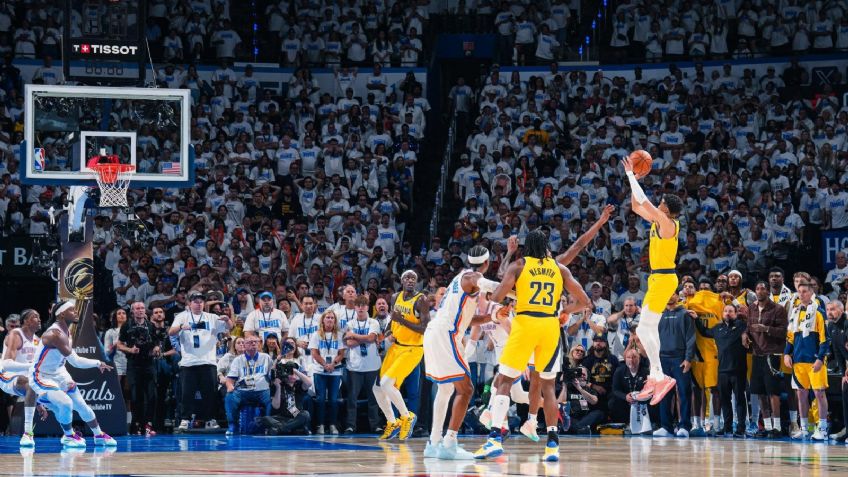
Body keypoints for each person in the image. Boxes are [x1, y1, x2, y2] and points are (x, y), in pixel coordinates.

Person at [474, 229, 590, 462]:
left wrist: (513, 294)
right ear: (546, 247)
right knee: (548, 387)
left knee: (505, 381)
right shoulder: (559, 268)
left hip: (525, 324)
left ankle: (494, 439)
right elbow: (585, 302)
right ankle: (552, 445)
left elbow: (496, 297)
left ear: (527, 248)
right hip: (549, 327)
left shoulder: (519, 266)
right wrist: (565, 311)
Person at [424, 245, 504, 460]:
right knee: (466, 389)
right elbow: (496, 288)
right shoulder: (472, 277)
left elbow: (467, 319)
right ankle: (449, 443)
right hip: (446, 334)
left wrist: (493, 317)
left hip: (437, 332)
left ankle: (433, 442)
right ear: (486, 263)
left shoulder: (460, 279)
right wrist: (521, 291)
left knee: (445, 389)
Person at [622, 154, 684, 405]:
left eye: (661, 203)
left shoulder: (668, 224)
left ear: (666, 209)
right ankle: (656, 375)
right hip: (658, 279)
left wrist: (630, 175)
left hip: (665, 279)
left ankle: (659, 375)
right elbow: (637, 206)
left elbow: (645, 201)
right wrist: (634, 182)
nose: (658, 204)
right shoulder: (659, 220)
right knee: (648, 328)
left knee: (642, 328)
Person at [28, 300, 116, 448]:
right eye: (72, 310)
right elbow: (75, 361)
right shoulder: (54, 334)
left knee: (82, 406)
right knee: (65, 403)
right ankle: (68, 436)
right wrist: (98, 363)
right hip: (40, 375)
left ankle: (99, 435)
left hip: (60, 373)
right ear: (61, 314)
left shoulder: (67, 332)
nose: (76, 312)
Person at [374, 270, 429, 441]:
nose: (410, 280)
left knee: (386, 383)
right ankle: (393, 422)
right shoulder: (395, 297)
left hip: (413, 349)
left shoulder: (421, 300)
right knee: (377, 388)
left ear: (416, 281)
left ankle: (407, 416)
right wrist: (387, 331)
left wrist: (402, 320)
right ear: (402, 280)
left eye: (413, 278)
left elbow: (424, 328)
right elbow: (393, 319)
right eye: (407, 277)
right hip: (396, 347)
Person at [169, 291, 234, 430]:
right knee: (187, 393)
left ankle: (210, 419)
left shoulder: (212, 317)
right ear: (189, 303)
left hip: (208, 361)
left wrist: (227, 319)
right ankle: (185, 419)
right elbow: (171, 332)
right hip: (188, 362)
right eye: (195, 301)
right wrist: (181, 327)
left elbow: (230, 327)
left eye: (201, 302)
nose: (199, 304)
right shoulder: (182, 316)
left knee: (209, 393)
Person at [692, 304, 748, 437]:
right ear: (722, 314)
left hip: (738, 370)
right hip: (722, 370)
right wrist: (696, 319)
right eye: (726, 311)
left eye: (731, 311)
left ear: (735, 313)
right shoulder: (718, 328)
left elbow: (750, 325)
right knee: (725, 400)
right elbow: (704, 332)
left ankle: (741, 428)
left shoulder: (742, 326)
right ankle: (727, 427)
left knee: (739, 399)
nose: (728, 313)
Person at [784, 282, 830, 440]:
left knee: (819, 394)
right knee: (801, 395)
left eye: (805, 291)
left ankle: (822, 429)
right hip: (798, 361)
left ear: (811, 293)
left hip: (815, 360)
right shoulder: (795, 312)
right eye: (799, 291)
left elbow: (825, 339)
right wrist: (786, 354)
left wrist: (820, 358)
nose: (801, 294)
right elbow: (790, 337)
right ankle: (804, 429)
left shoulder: (819, 312)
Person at [744, 281, 788, 438]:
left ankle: (777, 427)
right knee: (760, 392)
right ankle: (767, 427)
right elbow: (748, 327)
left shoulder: (778, 309)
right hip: (757, 354)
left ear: (768, 292)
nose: (759, 291)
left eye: (763, 288)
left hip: (772, 354)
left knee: (773, 393)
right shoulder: (751, 308)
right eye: (757, 288)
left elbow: (784, 332)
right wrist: (745, 335)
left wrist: (766, 329)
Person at [653, 292, 695, 438]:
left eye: (673, 294)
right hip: (662, 359)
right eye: (667, 294)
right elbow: (653, 339)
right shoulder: (658, 315)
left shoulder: (685, 314)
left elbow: (691, 338)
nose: (670, 297)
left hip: (680, 359)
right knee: (664, 394)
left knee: (684, 393)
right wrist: (654, 360)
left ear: (678, 297)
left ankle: (684, 426)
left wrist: (688, 359)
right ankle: (666, 427)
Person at [117, 302, 161, 436]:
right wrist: (130, 350)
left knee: (152, 395)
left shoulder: (151, 325)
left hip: (149, 364)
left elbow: (157, 343)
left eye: (142, 308)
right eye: (137, 308)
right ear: (132, 311)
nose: (140, 310)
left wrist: (156, 348)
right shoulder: (127, 325)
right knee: (136, 397)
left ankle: (149, 424)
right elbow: (119, 344)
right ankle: (137, 424)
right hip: (134, 365)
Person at [342, 295, 382, 434]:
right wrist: (365, 339)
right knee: (352, 398)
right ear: (355, 307)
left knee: (374, 398)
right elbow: (349, 343)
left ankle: (375, 425)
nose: (360, 308)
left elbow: (371, 338)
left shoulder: (373, 322)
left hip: (372, 366)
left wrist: (355, 336)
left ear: (367, 307)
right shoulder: (350, 324)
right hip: (354, 366)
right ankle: (350, 425)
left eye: (363, 305)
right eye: (358, 305)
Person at [1, 308, 40, 447]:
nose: (39, 319)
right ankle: (25, 433)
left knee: (54, 392)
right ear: (26, 321)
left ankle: (69, 433)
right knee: (30, 384)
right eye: (35, 317)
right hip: (7, 376)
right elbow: (7, 364)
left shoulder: (37, 340)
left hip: (25, 379)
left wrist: (39, 402)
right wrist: (30, 366)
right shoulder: (15, 334)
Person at [224, 336, 273, 436]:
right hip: (243, 391)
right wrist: (230, 386)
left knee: (272, 398)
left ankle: (269, 426)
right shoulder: (238, 360)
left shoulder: (266, 357)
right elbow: (229, 380)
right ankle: (233, 426)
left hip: (262, 390)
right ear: (245, 346)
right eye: (250, 342)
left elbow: (272, 375)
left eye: (255, 342)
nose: (254, 344)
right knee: (230, 397)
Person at [309, 309, 346, 435]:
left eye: (332, 318)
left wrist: (333, 364)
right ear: (323, 320)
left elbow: (341, 353)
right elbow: (314, 353)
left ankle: (332, 425)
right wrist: (325, 364)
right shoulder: (316, 335)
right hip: (320, 371)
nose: (330, 319)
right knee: (320, 399)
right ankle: (320, 425)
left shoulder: (339, 335)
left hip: (335, 371)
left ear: (335, 321)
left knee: (333, 400)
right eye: (327, 317)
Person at [259, 360, 313, 435]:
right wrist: (278, 387)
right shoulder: (277, 385)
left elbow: (309, 383)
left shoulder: (298, 385)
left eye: (295, 374)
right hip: (281, 417)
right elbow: (276, 406)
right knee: (265, 419)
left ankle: (280, 429)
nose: (293, 376)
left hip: (296, 417)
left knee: (305, 415)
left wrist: (295, 370)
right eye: (290, 373)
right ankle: (293, 428)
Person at [610, 348, 649, 427]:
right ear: (625, 359)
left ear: (639, 358)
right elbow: (615, 390)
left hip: (641, 400)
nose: (631, 360)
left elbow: (650, 389)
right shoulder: (619, 371)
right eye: (629, 357)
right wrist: (625, 397)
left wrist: (640, 396)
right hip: (625, 400)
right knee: (613, 402)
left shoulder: (646, 371)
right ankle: (622, 423)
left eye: (634, 357)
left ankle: (649, 423)